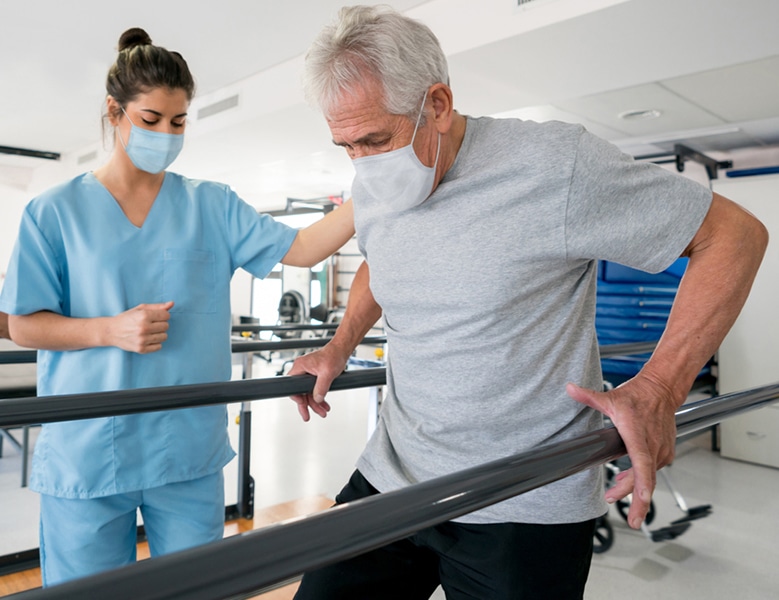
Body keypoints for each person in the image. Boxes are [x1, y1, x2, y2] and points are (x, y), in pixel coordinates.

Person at [287, 6, 768, 599]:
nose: (362, 163)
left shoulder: (554, 165)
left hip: (525, 497)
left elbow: (734, 237)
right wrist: (339, 346)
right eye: (346, 146)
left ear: (436, 105)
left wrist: (661, 388)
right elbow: (382, 261)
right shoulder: (375, 180)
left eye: (375, 140)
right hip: (395, 475)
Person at [0, 28, 354, 587]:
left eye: (178, 121)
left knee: (199, 590)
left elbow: (304, 247)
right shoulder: (55, 212)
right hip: (88, 450)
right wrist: (108, 330)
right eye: (150, 119)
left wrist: (374, 191)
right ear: (114, 113)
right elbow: (22, 324)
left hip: (185, 448)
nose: (165, 133)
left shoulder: (211, 205)